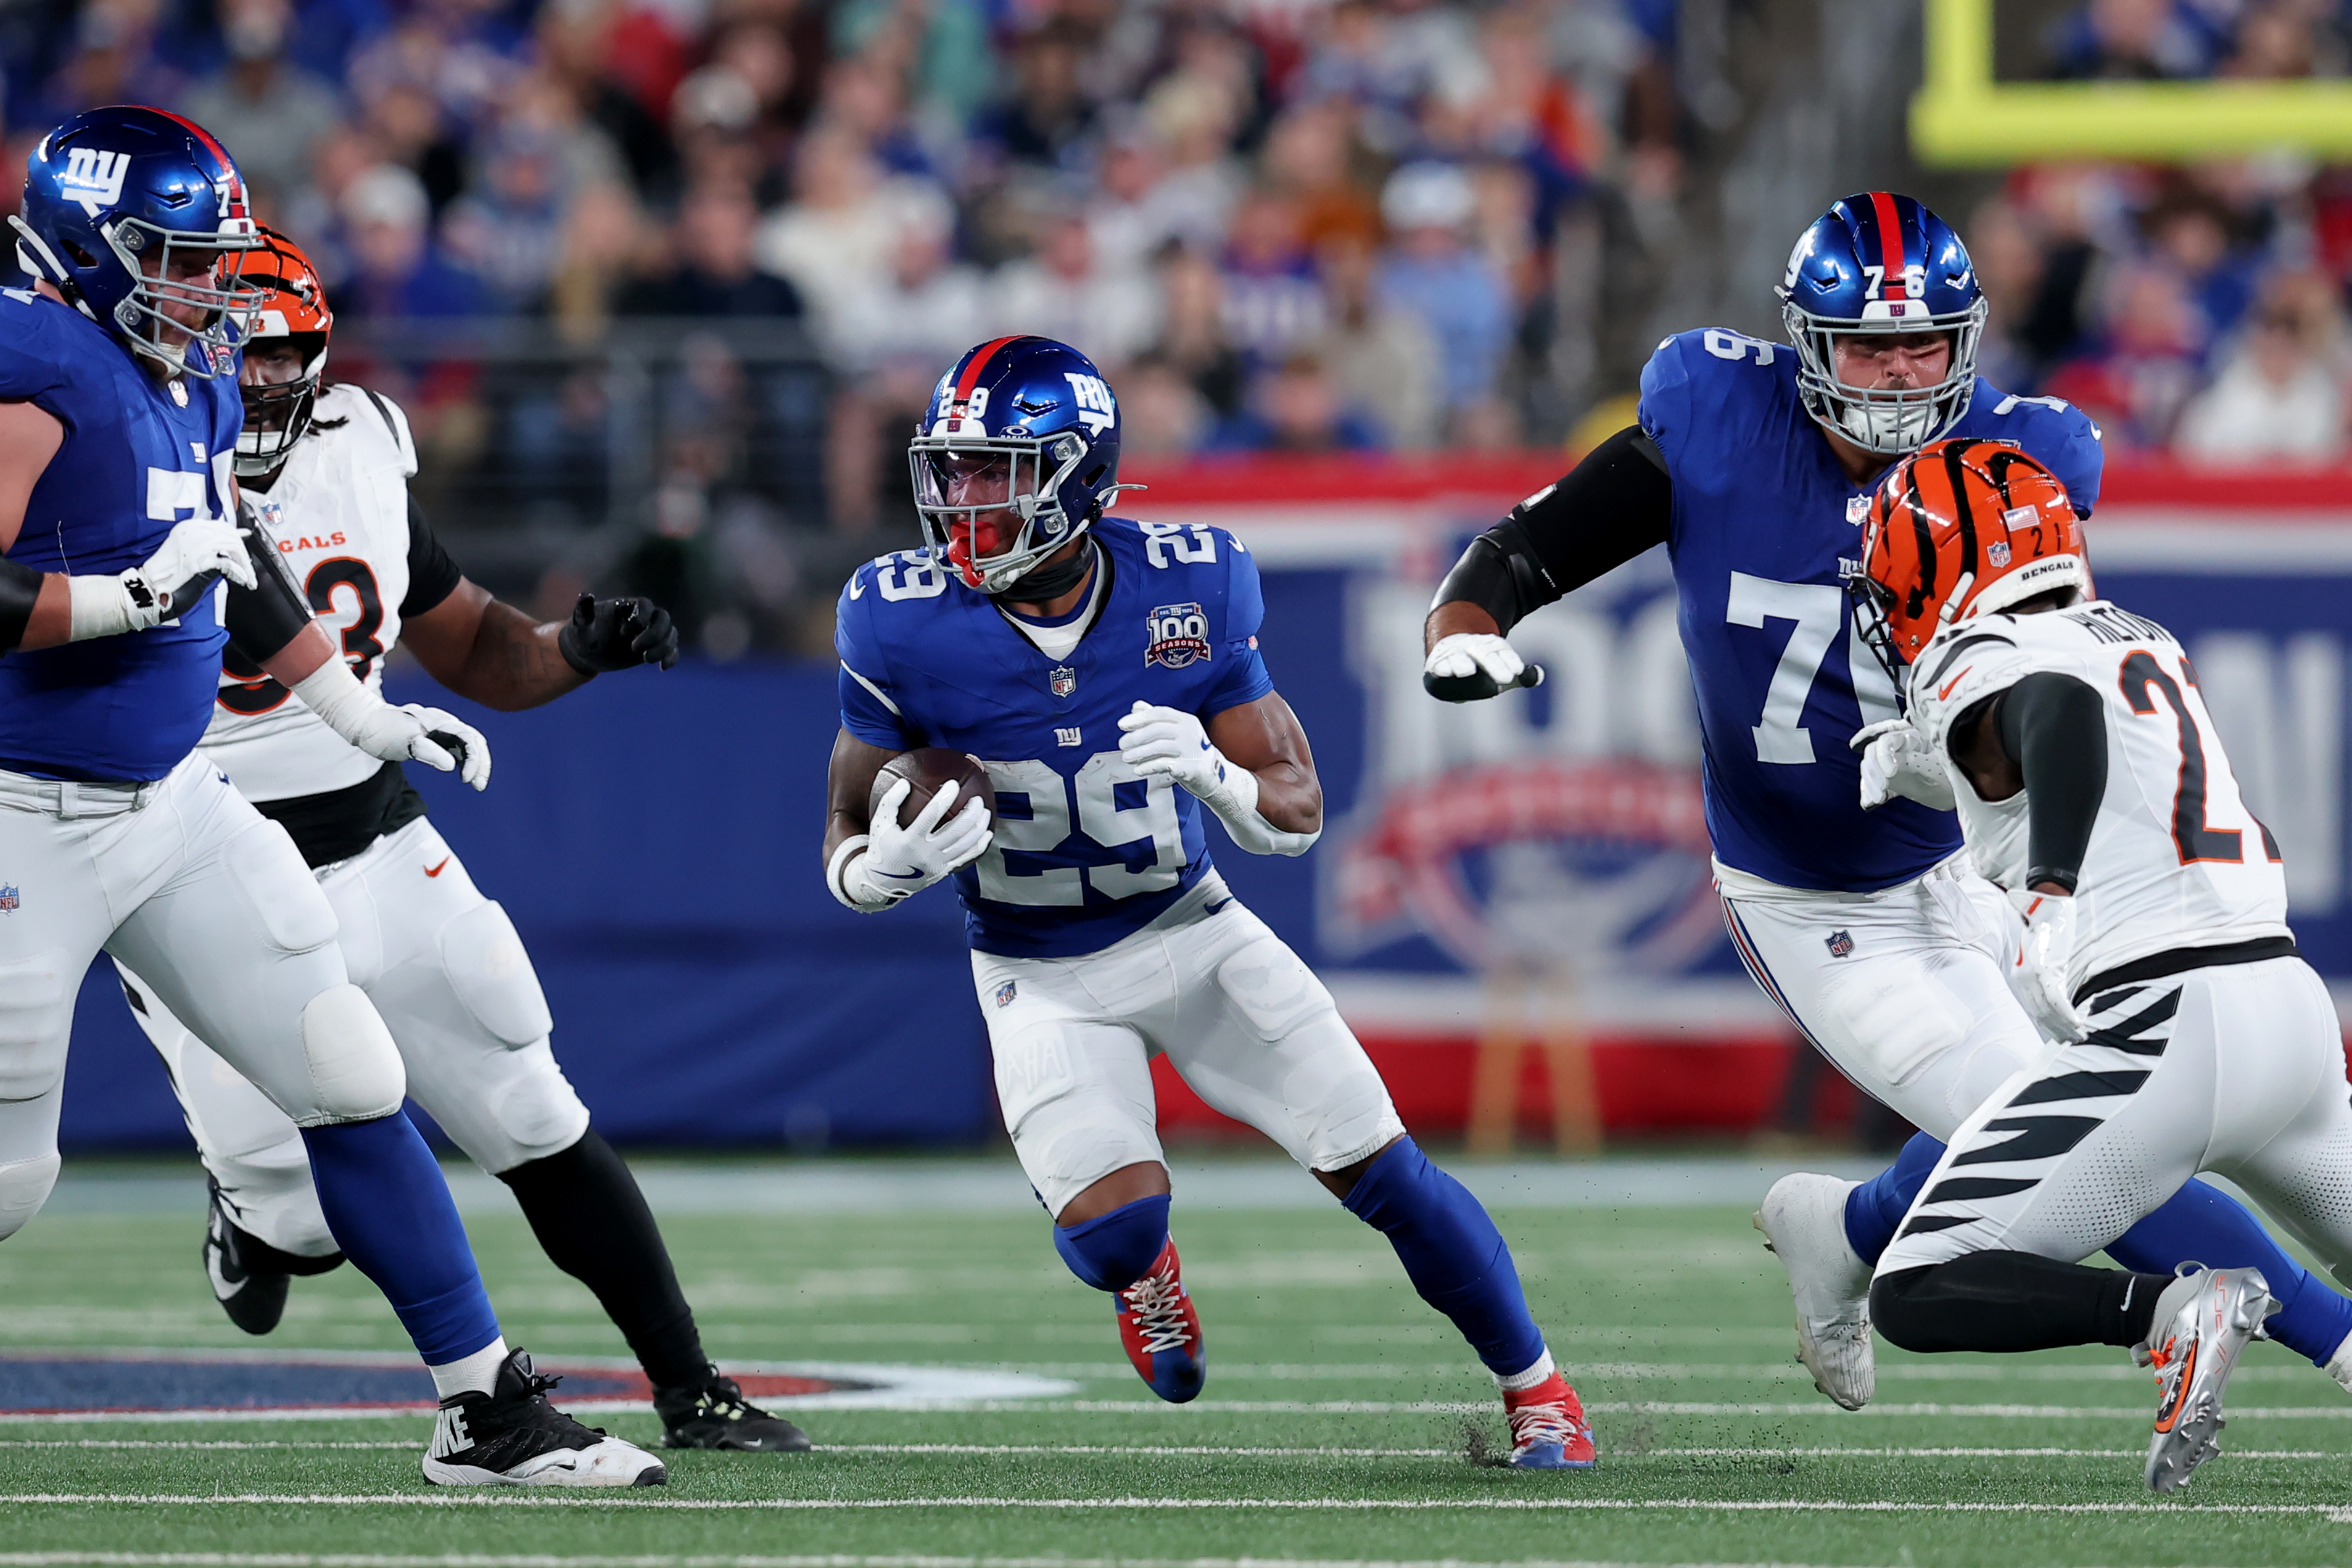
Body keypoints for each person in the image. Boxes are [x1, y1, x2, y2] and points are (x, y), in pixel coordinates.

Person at [1418, 191, 2352, 1410]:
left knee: (2058, 1105)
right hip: (1810, 893)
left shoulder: (2019, 457)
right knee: (2087, 1120)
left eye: (1923, 341)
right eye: (1868, 343)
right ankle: (2331, 1338)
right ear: (1807, 339)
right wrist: (1461, 623)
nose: (1901, 370)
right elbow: (1531, 545)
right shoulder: (1714, 416)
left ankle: (1846, 1230)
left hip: (1958, 855)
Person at [0, 106, 661, 1487]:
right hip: (21, 813)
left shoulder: (187, 371)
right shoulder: (32, 356)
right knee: (13, 1178)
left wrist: (361, 710)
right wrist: (120, 600)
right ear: (85, 246)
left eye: (210, 260)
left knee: (349, 1066)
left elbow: (236, 562)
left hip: (165, 801)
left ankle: (484, 1408)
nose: (202, 291)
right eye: (174, 260)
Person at [823, 335, 1593, 1469]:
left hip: (1192, 931)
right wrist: (878, 872)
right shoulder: (895, 615)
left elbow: (1298, 807)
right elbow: (843, 826)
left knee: (1384, 1170)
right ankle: (1149, 1275)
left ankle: (1539, 1389)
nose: (965, 502)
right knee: (1110, 1233)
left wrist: (1215, 773)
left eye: (998, 472)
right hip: (1036, 971)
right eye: (954, 470)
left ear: (1079, 475)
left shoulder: (1187, 581)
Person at [115, 229, 808, 1456]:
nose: (267, 380)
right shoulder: (124, 454)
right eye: (243, 352)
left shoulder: (361, 445)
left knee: (530, 1104)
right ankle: (250, 1207)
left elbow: (471, 639)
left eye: (287, 356)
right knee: (304, 1209)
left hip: (377, 835)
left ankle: (692, 1385)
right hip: (200, 870)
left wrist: (576, 647)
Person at [1851, 437, 2352, 1494]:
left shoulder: (1975, 657)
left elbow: (2053, 716)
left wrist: (2050, 883)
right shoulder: (2135, 633)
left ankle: (2170, 1308)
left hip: (2162, 1029)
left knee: (1916, 1287)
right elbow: (2044, 730)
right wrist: (1924, 758)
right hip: (2292, 1019)